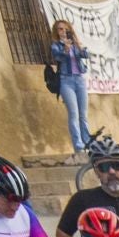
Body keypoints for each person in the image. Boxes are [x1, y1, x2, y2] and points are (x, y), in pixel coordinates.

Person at [47, 19, 90, 155]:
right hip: (66, 81)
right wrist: (65, 48)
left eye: (66, 29)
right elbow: (58, 58)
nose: (63, 31)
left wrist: (77, 45)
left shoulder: (74, 44)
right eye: (60, 29)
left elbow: (85, 55)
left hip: (80, 80)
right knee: (74, 114)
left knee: (83, 115)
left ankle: (87, 142)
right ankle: (78, 146)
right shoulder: (56, 46)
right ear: (56, 31)